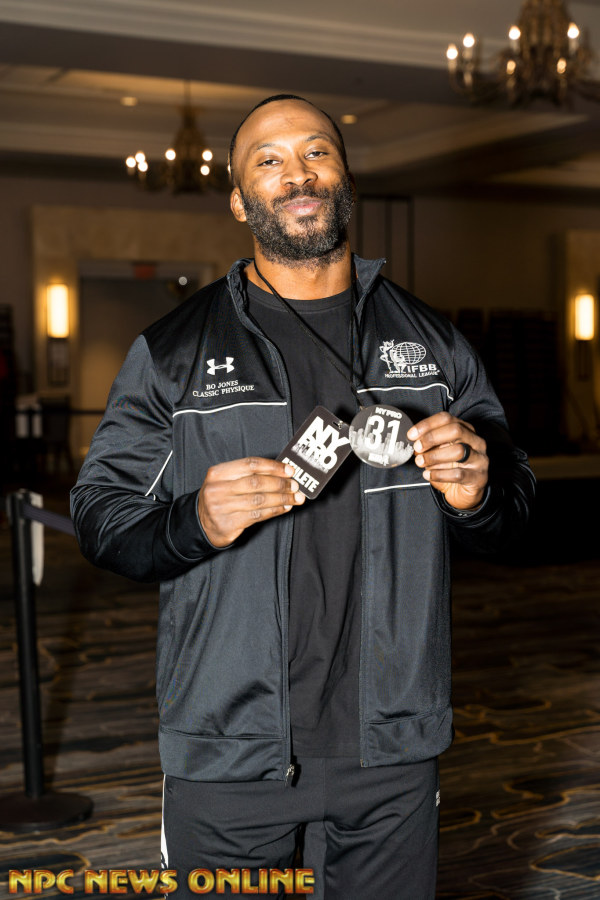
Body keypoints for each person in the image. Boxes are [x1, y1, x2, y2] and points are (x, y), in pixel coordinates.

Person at [71, 94, 535, 899]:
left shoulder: (433, 346)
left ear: (345, 176)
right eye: (269, 160)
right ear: (239, 199)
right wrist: (193, 521)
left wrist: (481, 492)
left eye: (316, 152)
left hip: (391, 741)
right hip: (228, 745)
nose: (298, 174)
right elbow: (100, 516)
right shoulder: (174, 351)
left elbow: (515, 507)